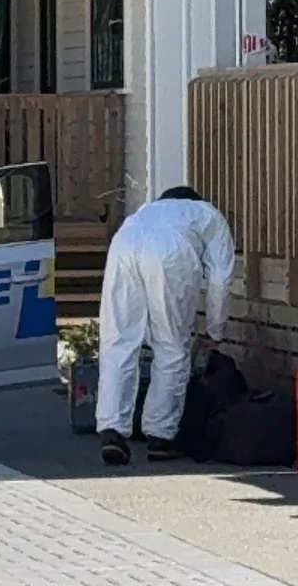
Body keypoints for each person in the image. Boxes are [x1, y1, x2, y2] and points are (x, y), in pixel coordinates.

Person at [95, 186, 235, 466]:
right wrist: (215, 331)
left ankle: (112, 429)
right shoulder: (209, 215)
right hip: (172, 253)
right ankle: (161, 437)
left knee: (118, 342)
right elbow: (220, 279)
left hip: (124, 242)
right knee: (171, 349)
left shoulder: (146, 211)